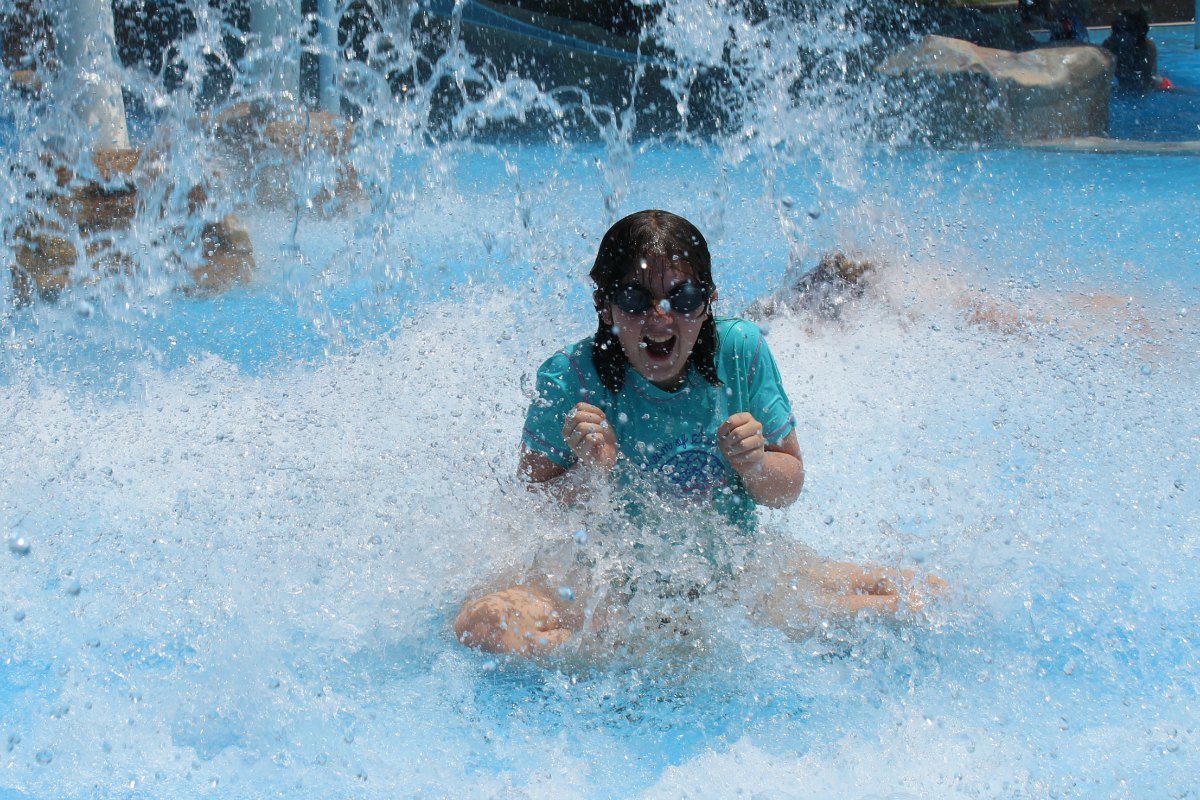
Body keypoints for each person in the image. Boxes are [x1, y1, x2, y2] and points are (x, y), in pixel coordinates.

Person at [453, 210, 941, 658]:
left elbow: (788, 485)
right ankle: (626, 646)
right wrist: (592, 473)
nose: (660, 316)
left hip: (731, 582)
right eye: (634, 299)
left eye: (683, 297)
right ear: (605, 306)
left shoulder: (740, 350)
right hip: (606, 592)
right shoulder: (570, 379)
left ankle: (649, 650)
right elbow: (530, 509)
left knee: (923, 593)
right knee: (483, 625)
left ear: (708, 301)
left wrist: (754, 464)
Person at [1101, 8, 1159, 93]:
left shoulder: (1148, 47)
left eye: (1120, 31)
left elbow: (1150, 79)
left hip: (1147, 87)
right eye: (1116, 32)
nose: (1113, 35)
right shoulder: (1109, 46)